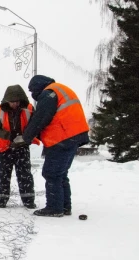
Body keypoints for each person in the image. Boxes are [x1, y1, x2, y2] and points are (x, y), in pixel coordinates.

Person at [18, 75, 90, 217]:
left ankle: (54, 207)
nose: (33, 95)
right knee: (61, 174)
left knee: (51, 173)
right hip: (74, 135)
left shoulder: (49, 93)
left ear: (38, 87)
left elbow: (41, 118)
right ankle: (64, 207)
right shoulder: (60, 89)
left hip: (62, 138)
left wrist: (25, 137)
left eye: (33, 91)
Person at [0, 85, 39, 209]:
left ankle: (28, 200)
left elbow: (35, 126)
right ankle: (1, 200)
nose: (15, 104)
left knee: (25, 174)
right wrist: (8, 135)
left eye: (17, 102)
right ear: (7, 101)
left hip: (22, 147)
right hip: (4, 148)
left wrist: (25, 136)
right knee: (2, 175)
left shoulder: (29, 108)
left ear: (21, 100)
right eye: (12, 102)